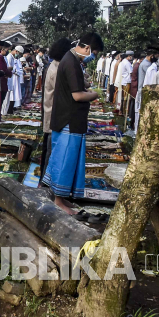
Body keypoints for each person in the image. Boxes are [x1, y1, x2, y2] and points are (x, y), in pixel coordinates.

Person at [43, 32, 104, 214]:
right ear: (86, 48)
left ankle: (61, 197)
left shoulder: (70, 60)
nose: (93, 56)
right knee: (64, 160)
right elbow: (77, 95)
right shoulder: (70, 62)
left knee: (64, 159)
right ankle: (59, 200)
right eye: (94, 52)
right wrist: (95, 94)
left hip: (67, 118)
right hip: (68, 119)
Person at [40, 38, 72, 185]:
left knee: (48, 150)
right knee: (50, 152)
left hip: (52, 112)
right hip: (54, 114)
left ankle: (44, 180)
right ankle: (45, 183)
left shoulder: (55, 65)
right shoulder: (57, 69)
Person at [0, 40, 10, 124]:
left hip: (3, 81)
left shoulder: (1, 57)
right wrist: (6, 72)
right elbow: (2, 69)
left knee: (2, 100)